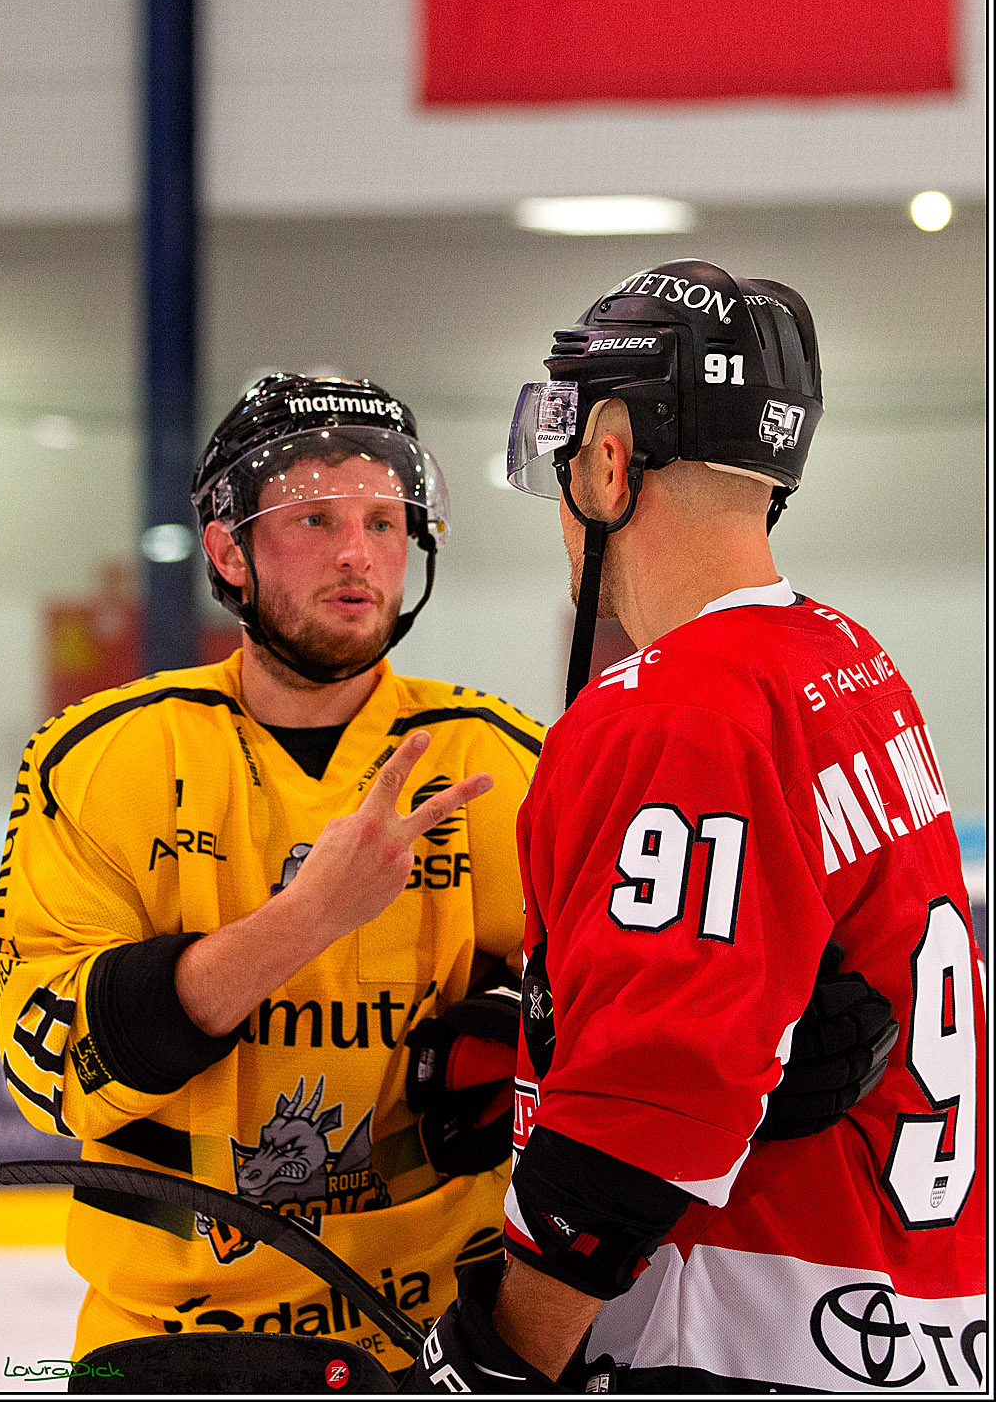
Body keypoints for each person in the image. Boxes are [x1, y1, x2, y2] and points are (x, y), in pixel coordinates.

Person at [409, 260, 986, 1394]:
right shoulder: (849, 661)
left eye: (570, 458)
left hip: (733, 1336)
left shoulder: (670, 711)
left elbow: (648, 1107)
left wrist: (498, 1355)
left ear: (611, 459)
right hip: (911, 1320)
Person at [0, 374, 543, 1376]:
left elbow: (609, 1020)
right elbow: (51, 1068)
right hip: (167, 1333)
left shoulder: (499, 763)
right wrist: (306, 920)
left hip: (434, 1325)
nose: (356, 553)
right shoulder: (103, 757)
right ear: (226, 549)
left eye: (385, 521)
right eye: (316, 518)